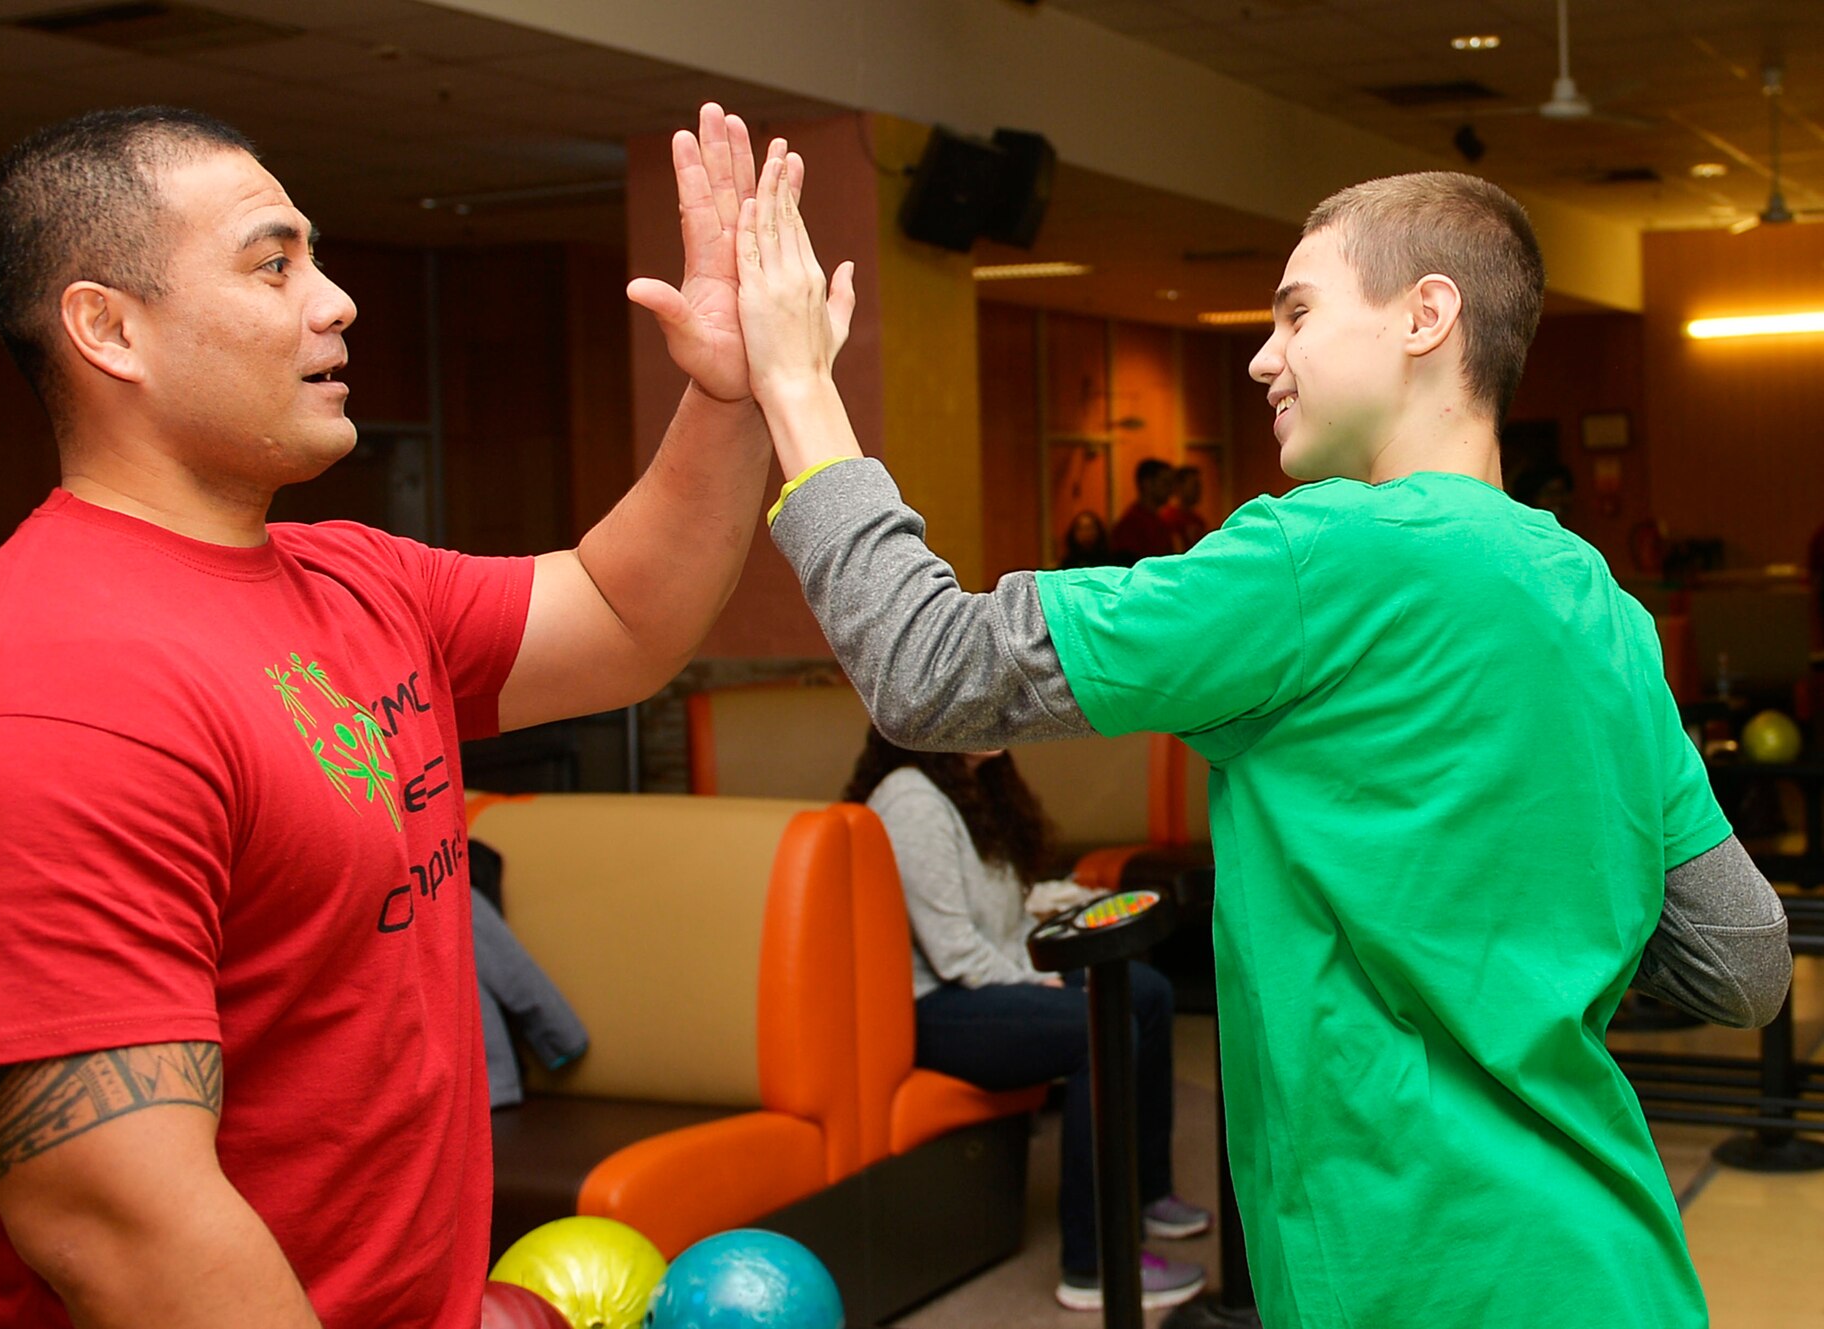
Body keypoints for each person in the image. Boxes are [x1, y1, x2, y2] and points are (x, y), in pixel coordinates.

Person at [732, 159, 1790, 1327]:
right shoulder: (1604, 609)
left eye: (1294, 313)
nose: (1259, 356)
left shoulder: (1311, 557)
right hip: (1615, 1270)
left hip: (1406, 1282)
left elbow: (926, 668)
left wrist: (794, 384)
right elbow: (1742, 963)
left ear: (1424, 317)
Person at [0, 102, 802, 1329]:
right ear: (108, 329)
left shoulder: (350, 578)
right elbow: (129, 1237)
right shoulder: (34, 703)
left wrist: (727, 396)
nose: (335, 299)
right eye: (273, 261)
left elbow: (623, 616)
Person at [843, 726, 1208, 1311]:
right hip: (937, 1007)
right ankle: (1094, 1265)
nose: (993, 718)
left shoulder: (979, 789)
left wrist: (1052, 962)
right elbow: (956, 954)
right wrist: (1047, 984)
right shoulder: (911, 799)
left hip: (989, 983)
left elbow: (1006, 930)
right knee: (1097, 1028)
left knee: (1148, 992)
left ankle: (1148, 1193)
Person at [1110, 458, 1177, 561]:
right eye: (1165, 483)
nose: (1171, 490)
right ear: (1147, 484)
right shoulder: (1131, 524)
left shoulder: (1160, 522)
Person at [1157, 465, 1209, 552]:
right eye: (1194, 486)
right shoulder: (1168, 517)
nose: (1198, 490)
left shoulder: (1198, 520)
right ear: (1179, 486)